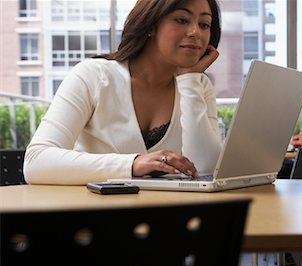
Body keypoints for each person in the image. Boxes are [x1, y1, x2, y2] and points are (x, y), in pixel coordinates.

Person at [24, 0, 223, 185]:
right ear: (151, 25)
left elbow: (206, 170)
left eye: (204, 24)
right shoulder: (94, 76)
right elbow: (36, 161)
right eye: (181, 20)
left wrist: (189, 80)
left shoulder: (199, 86)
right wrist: (132, 164)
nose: (196, 32)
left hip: (168, 217)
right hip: (95, 216)